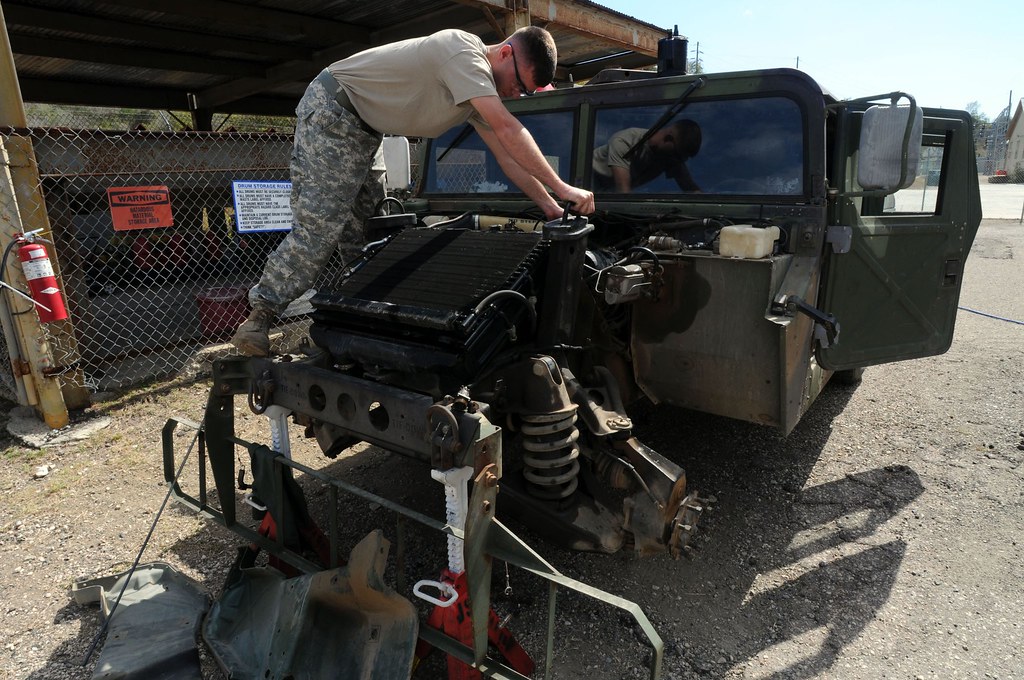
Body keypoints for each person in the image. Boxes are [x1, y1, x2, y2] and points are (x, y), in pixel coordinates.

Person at [231, 26, 596, 356]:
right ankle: (260, 316)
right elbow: (508, 128)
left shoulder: (474, 91)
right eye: (518, 84)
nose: (515, 94)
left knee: (370, 234)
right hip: (334, 111)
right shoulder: (462, 54)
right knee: (321, 227)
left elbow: (508, 157)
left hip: (366, 130)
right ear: (505, 53)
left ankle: (353, 323)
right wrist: (564, 187)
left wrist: (550, 207)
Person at [592, 119, 702, 193]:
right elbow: (623, 191)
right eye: (678, 155)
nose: (678, 161)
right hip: (585, 181)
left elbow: (691, 189)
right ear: (668, 138)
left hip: (604, 196)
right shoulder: (626, 141)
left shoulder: (669, 156)